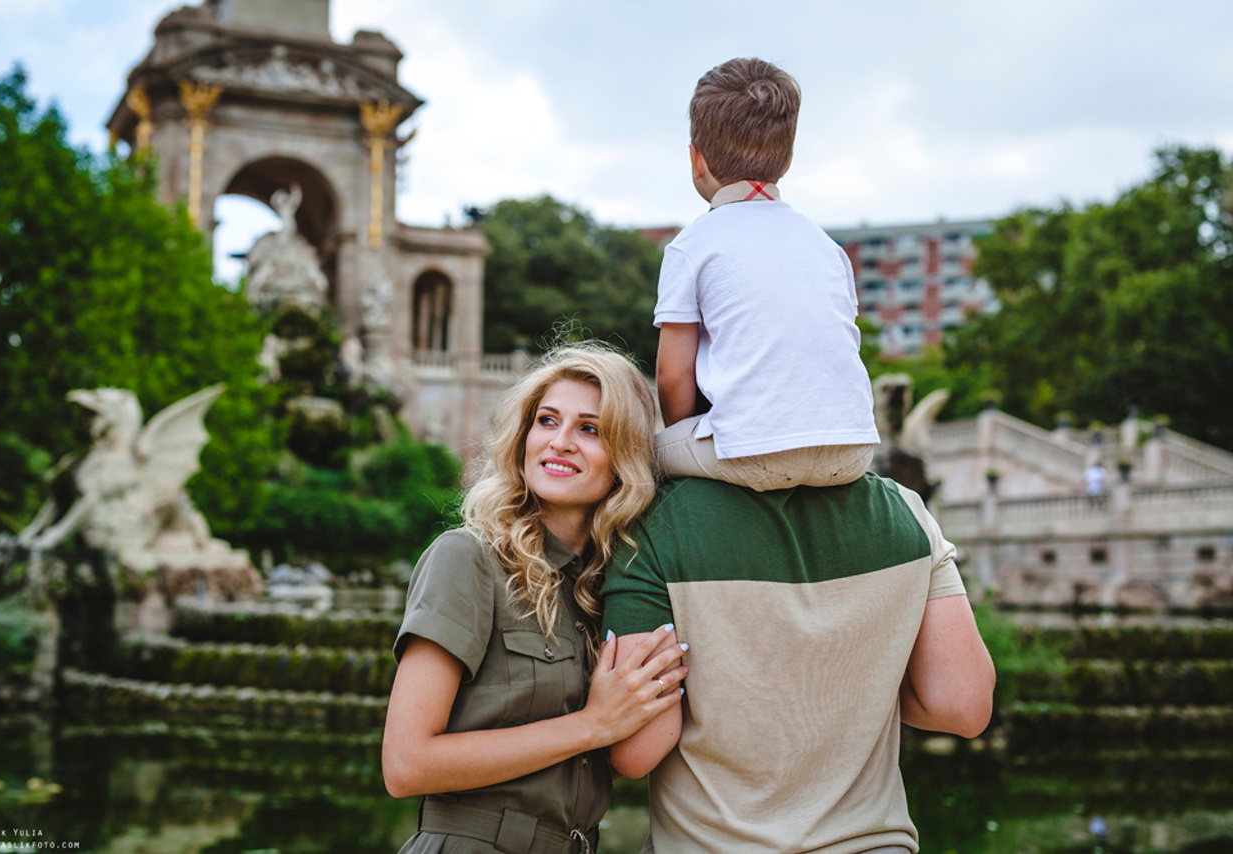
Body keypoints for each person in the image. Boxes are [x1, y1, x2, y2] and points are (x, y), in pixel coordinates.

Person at [382, 343, 689, 854]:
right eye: (546, 421)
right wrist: (591, 725)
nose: (560, 442)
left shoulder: (607, 590)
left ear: (626, 455)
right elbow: (406, 764)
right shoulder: (468, 558)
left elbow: (626, 757)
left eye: (590, 429)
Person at [601, 473, 996, 853]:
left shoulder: (654, 523)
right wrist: (866, 686)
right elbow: (962, 706)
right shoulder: (902, 510)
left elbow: (639, 750)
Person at [654, 57, 879, 492]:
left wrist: (688, 434)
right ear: (789, 158)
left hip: (754, 454)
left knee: (645, 454)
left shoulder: (692, 245)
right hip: (853, 451)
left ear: (695, 159)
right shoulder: (828, 247)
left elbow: (673, 376)